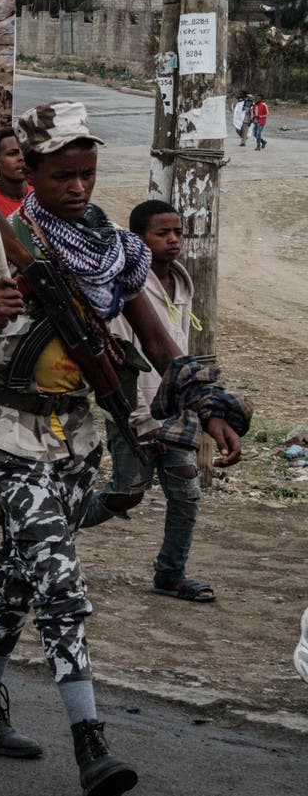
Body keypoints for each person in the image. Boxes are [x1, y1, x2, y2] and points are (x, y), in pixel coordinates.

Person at [0, 100, 248, 796]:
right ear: (32, 172)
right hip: (7, 436)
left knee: (21, 573)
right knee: (59, 581)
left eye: (87, 173)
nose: (77, 188)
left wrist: (209, 406)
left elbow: (162, 344)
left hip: (75, 441)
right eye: (60, 175)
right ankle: (91, 742)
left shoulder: (115, 251)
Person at [75, 201, 235, 603]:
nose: (174, 240)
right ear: (139, 240)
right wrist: (141, 419)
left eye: (178, 232)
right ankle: (49, 528)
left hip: (176, 410)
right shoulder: (127, 286)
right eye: (162, 234)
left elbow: (175, 349)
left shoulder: (182, 282)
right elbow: (122, 360)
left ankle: (171, 573)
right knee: (126, 491)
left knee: (186, 493)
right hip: (133, 409)